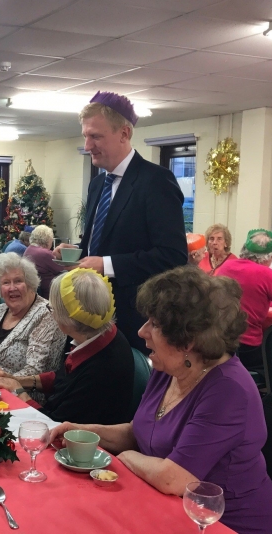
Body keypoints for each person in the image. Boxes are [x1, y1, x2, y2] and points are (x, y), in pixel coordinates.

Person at [49, 266, 272, 534]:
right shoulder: (171, 368)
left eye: (155, 324)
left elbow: (173, 478)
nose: (141, 331)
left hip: (221, 523)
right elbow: (136, 432)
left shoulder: (229, 391)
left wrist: (123, 458)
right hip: (166, 507)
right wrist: (79, 431)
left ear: (187, 340)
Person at [55, 91, 187, 352]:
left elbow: (172, 256)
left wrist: (106, 264)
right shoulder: (97, 185)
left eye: (95, 136)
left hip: (133, 320)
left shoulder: (155, 182)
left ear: (124, 134)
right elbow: (98, 243)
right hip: (91, 314)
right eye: (85, 136)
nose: (87, 145)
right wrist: (75, 252)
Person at [0, 268, 135, 424]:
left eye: (52, 309)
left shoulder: (102, 368)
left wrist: (17, 390)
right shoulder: (99, 331)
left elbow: (55, 426)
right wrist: (16, 379)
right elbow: (63, 377)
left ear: (67, 319)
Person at [0, 254, 65, 401]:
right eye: (6, 283)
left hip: (21, 397)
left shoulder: (46, 314)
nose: (12, 288)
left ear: (30, 283)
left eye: (18, 281)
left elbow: (35, 369)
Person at [215, 229, 272, 373]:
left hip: (222, 342)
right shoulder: (265, 274)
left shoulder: (227, 266)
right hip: (248, 348)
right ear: (269, 257)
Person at [24, 224, 65, 295]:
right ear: (48, 240)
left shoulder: (29, 249)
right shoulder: (45, 254)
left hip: (35, 291)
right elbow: (64, 269)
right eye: (51, 240)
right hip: (50, 294)